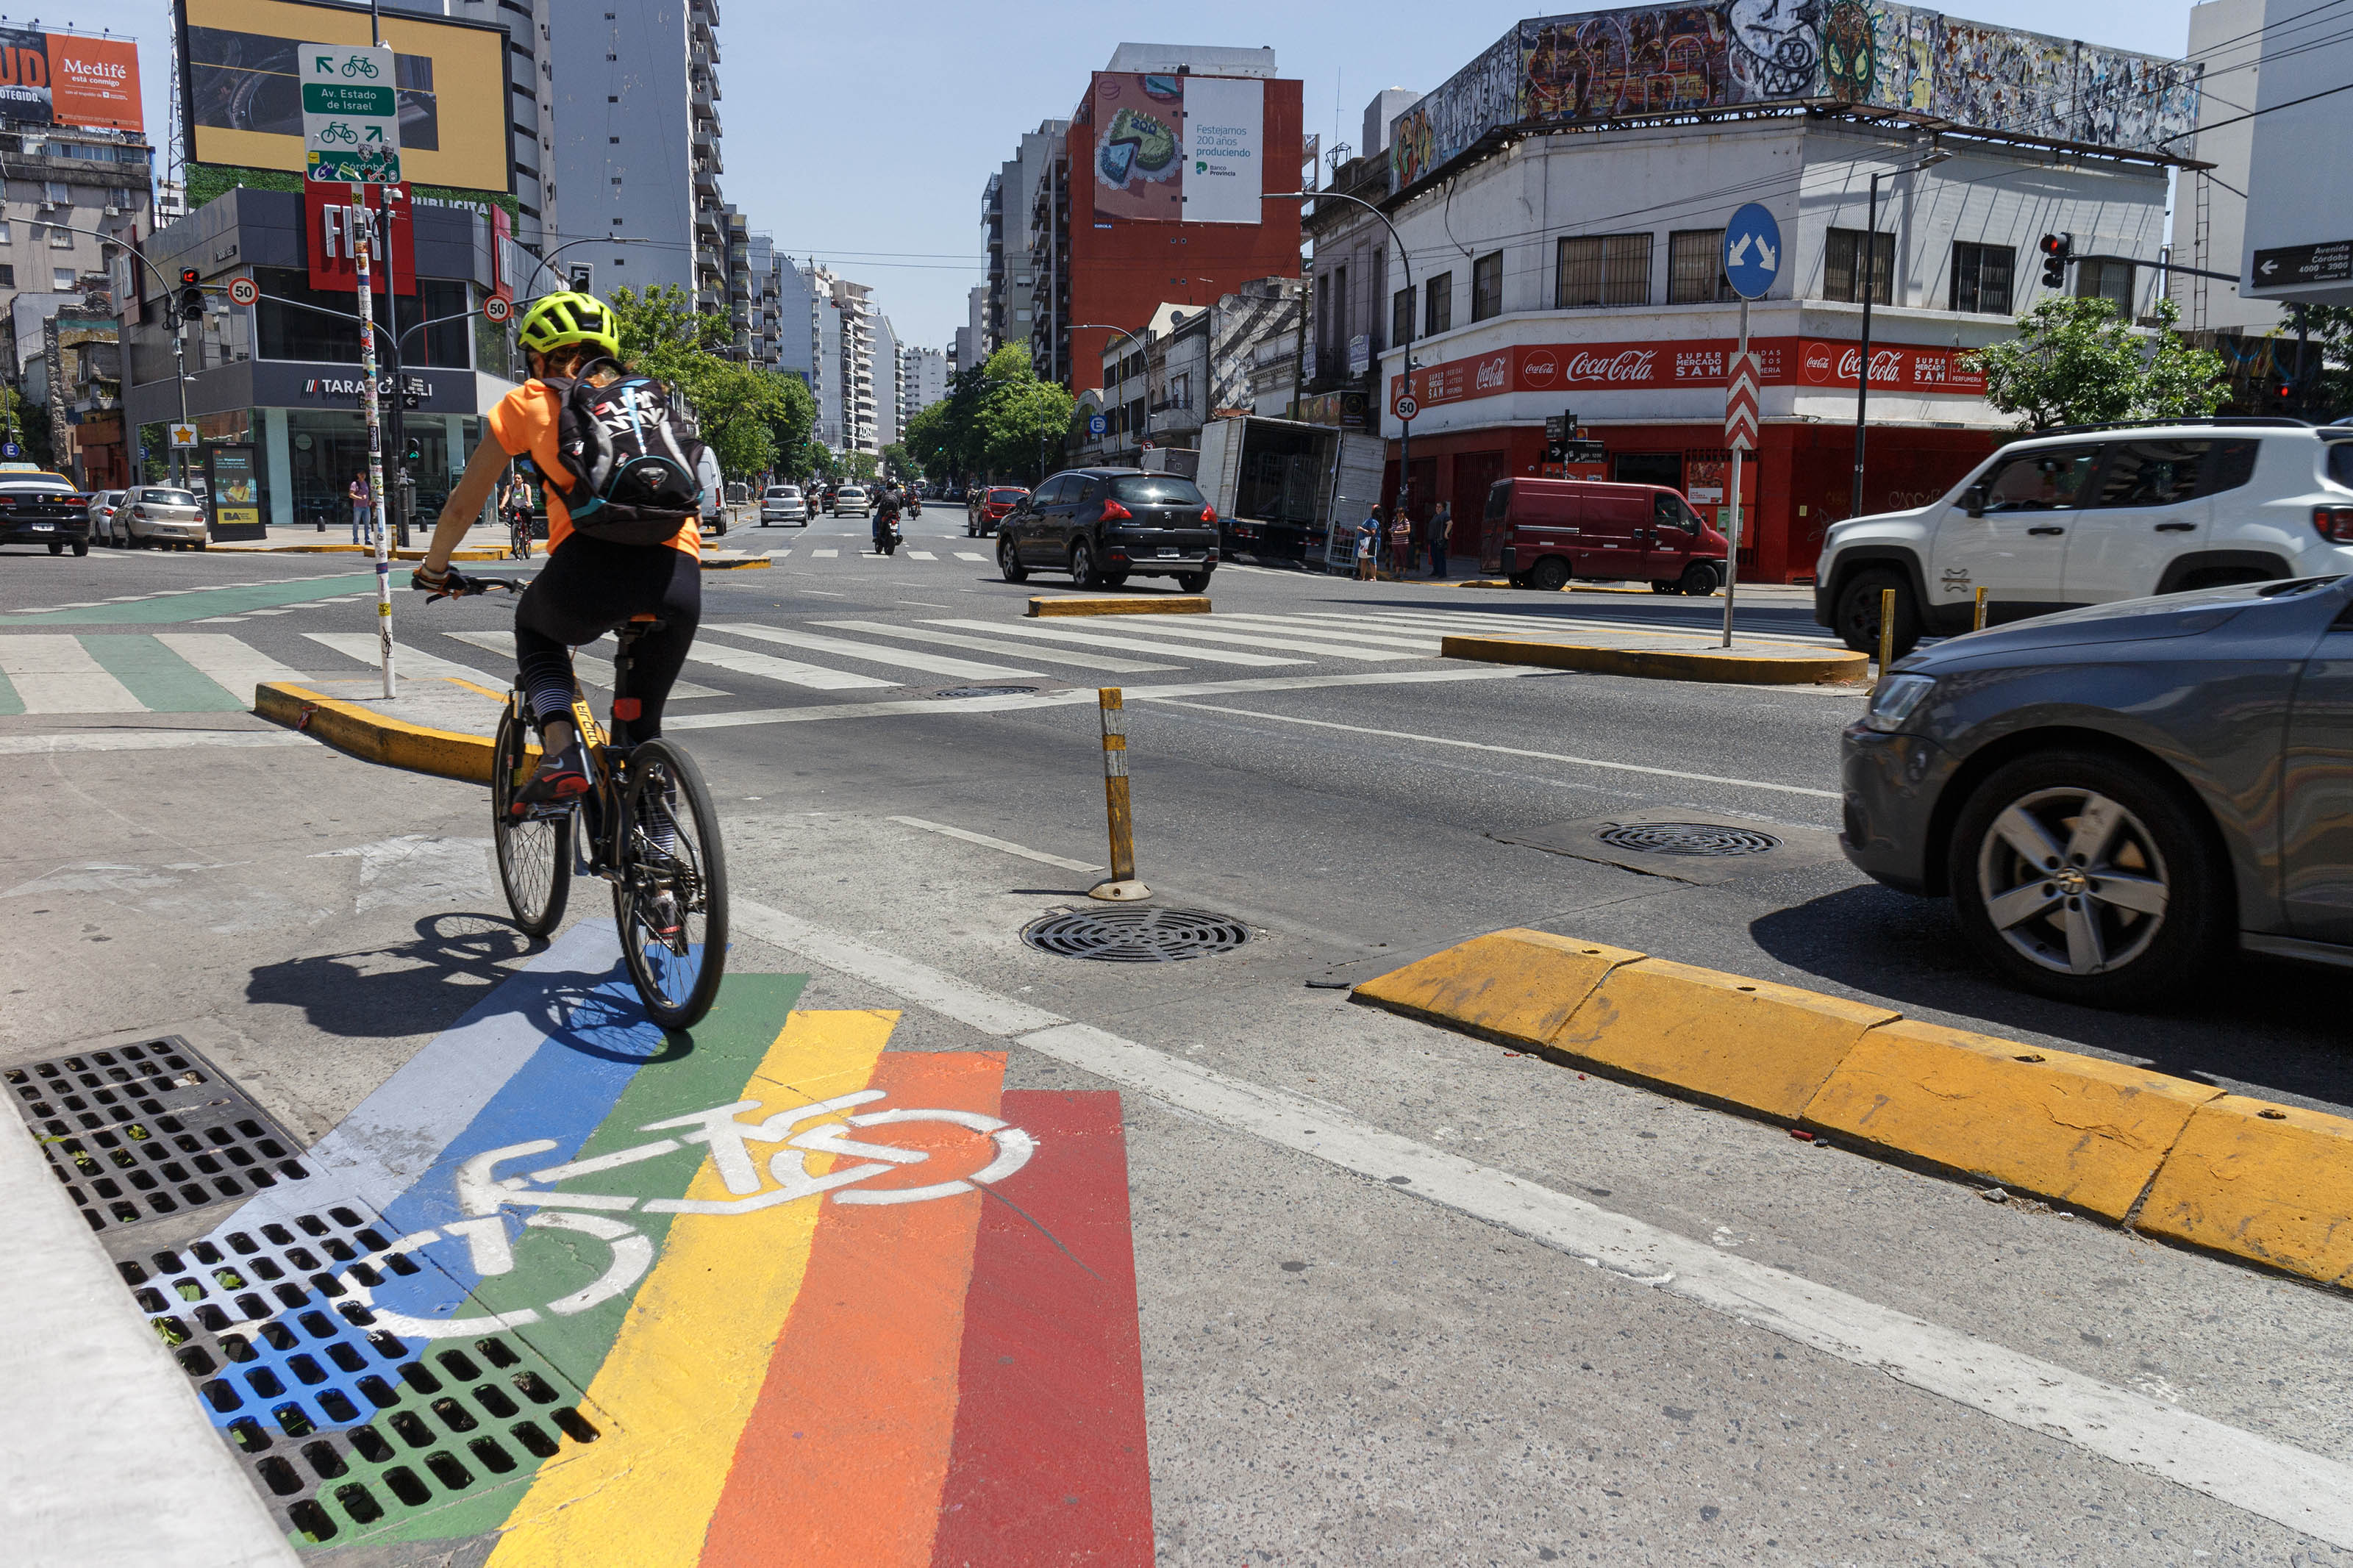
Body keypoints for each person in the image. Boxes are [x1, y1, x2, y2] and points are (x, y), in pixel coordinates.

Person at [410, 289, 702, 817]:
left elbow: (463, 505)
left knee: (535, 628)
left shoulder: (529, 401)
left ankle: (562, 752)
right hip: (678, 575)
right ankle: (661, 876)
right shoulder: (647, 398)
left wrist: (434, 569)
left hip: (589, 569)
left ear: (542, 358)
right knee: (642, 734)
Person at [873, 477, 904, 553]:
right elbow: (902, 504)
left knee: (875, 520)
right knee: (897, 522)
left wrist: (871, 505)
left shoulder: (883, 493)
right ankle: (897, 534)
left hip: (883, 513)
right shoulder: (898, 494)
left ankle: (875, 536)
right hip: (894, 513)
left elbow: (876, 501)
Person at [1354, 505, 1380, 582]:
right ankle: (1362, 576)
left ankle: (1374, 577)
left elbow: (1372, 533)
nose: (1371, 510)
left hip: (1370, 542)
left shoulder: (1373, 522)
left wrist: (1362, 529)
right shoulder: (1370, 520)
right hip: (1365, 542)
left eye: (1373, 509)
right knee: (1364, 559)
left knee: (1371, 559)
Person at [348, 470, 373, 546]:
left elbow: (371, 493)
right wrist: (360, 498)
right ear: (358, 475)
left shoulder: (367, 484)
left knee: (367, 524)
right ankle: (356, 540)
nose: (363, 475)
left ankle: (367, 539)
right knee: (356, 524)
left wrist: (370, 501)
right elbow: (351, 495)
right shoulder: (355, 484)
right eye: (361, 474)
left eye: (364, 474)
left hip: (366, 506)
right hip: (358, 507)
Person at [1428, 501, 1452, 580]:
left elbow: (1450, 523)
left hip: (1439, 539)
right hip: (1433, 539)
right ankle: (1436, 571)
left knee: (1440, 557)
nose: (1437, 508)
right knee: (1434, 556)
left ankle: (1442, 573)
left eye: (1439, 507)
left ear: (1443, 508)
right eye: (1437, 507)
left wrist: (1446, 533)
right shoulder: (1436, 515)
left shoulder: (1444, 514)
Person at [1388, 507, 1413, 581]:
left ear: (1403, 513)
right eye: (1398, 513)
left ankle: (1405, 574)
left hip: (1403, 542)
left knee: (1404, 557)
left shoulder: (1405, 521)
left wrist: (1398, 533)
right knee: (1396, 557)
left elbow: (1408, 531)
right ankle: (1397, 573)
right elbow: (1393, 530)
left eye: (1401, 513)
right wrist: (1391, 531)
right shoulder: (1394, 521)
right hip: (1395, 542)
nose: (1399, 514)